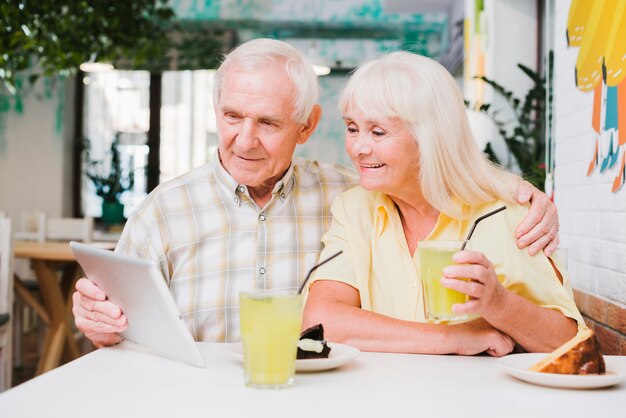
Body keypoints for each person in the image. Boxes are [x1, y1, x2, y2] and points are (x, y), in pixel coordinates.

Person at [73, 39, 561, 348]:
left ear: (306, 126)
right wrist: (98, 323)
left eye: (267, 122)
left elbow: (430, 172)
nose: (244, 139)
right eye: (232, 117)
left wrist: (518, 191)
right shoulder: (163, 210)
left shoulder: (350, 191)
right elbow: (117, 326)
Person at [302, 51, 584, 356]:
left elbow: (571, 346)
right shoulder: (355, 208)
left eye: (378, 132)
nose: (357, 148)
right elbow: (321, 321)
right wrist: (452, 338)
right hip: (381, 399)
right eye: (352, 128)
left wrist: (498, 304)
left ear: (430, 136)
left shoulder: (508, 214)